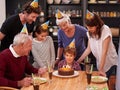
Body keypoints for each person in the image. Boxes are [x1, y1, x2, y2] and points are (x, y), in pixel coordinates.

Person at [77, 10, 118, 79]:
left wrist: (101, 69)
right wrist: (78, 61)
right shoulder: (89, 33)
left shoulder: (105, 30)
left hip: (110, 62)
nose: (89, 29)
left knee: (105, 82)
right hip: (100, 62)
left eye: (91, 27)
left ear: (97, 25)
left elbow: (104, 52)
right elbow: (88, 49)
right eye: (87, 27)